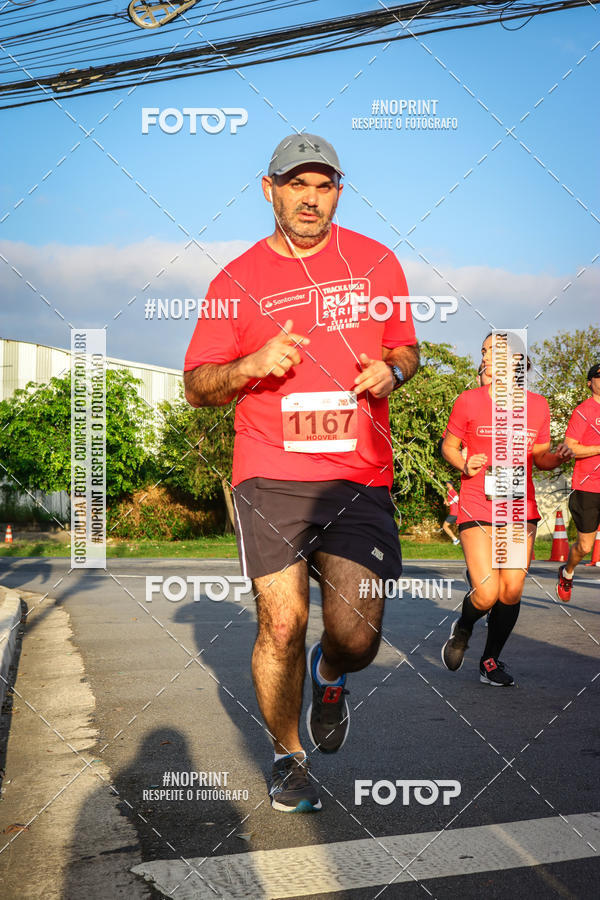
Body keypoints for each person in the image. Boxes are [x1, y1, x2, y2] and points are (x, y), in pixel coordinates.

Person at [183, 134, 419, 812]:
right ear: (269, 189)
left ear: (337, 192)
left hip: (356, 475)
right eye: (296, 184)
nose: (310, 198)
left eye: (323, 185)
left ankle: (332, 673)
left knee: (356, 634)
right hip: (269, 471)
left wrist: (393, 369)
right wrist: (248, 367)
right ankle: (289, 758)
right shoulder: (234, 281)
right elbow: (197, 385)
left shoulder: (376, 264)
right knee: (281, 624)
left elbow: (407, 346)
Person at [440, 333, 573, 685]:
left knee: (511, 589)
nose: (485, 357)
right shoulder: (468, 401)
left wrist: (555, 456)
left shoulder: (538, 405)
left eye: (493, 352)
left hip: (518, 505)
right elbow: (449, 447)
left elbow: (539, 458)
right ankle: (464, 628)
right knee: (486, 592)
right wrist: (464, 464)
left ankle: (490, 661)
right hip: (477, 501)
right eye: (483, 351)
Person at [556, 362, 600, 602]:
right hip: (588, 487)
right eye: (599, 376)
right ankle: (567, 571)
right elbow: (570, 448)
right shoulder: (583, 411)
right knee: (584, 547)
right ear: (589, 383)